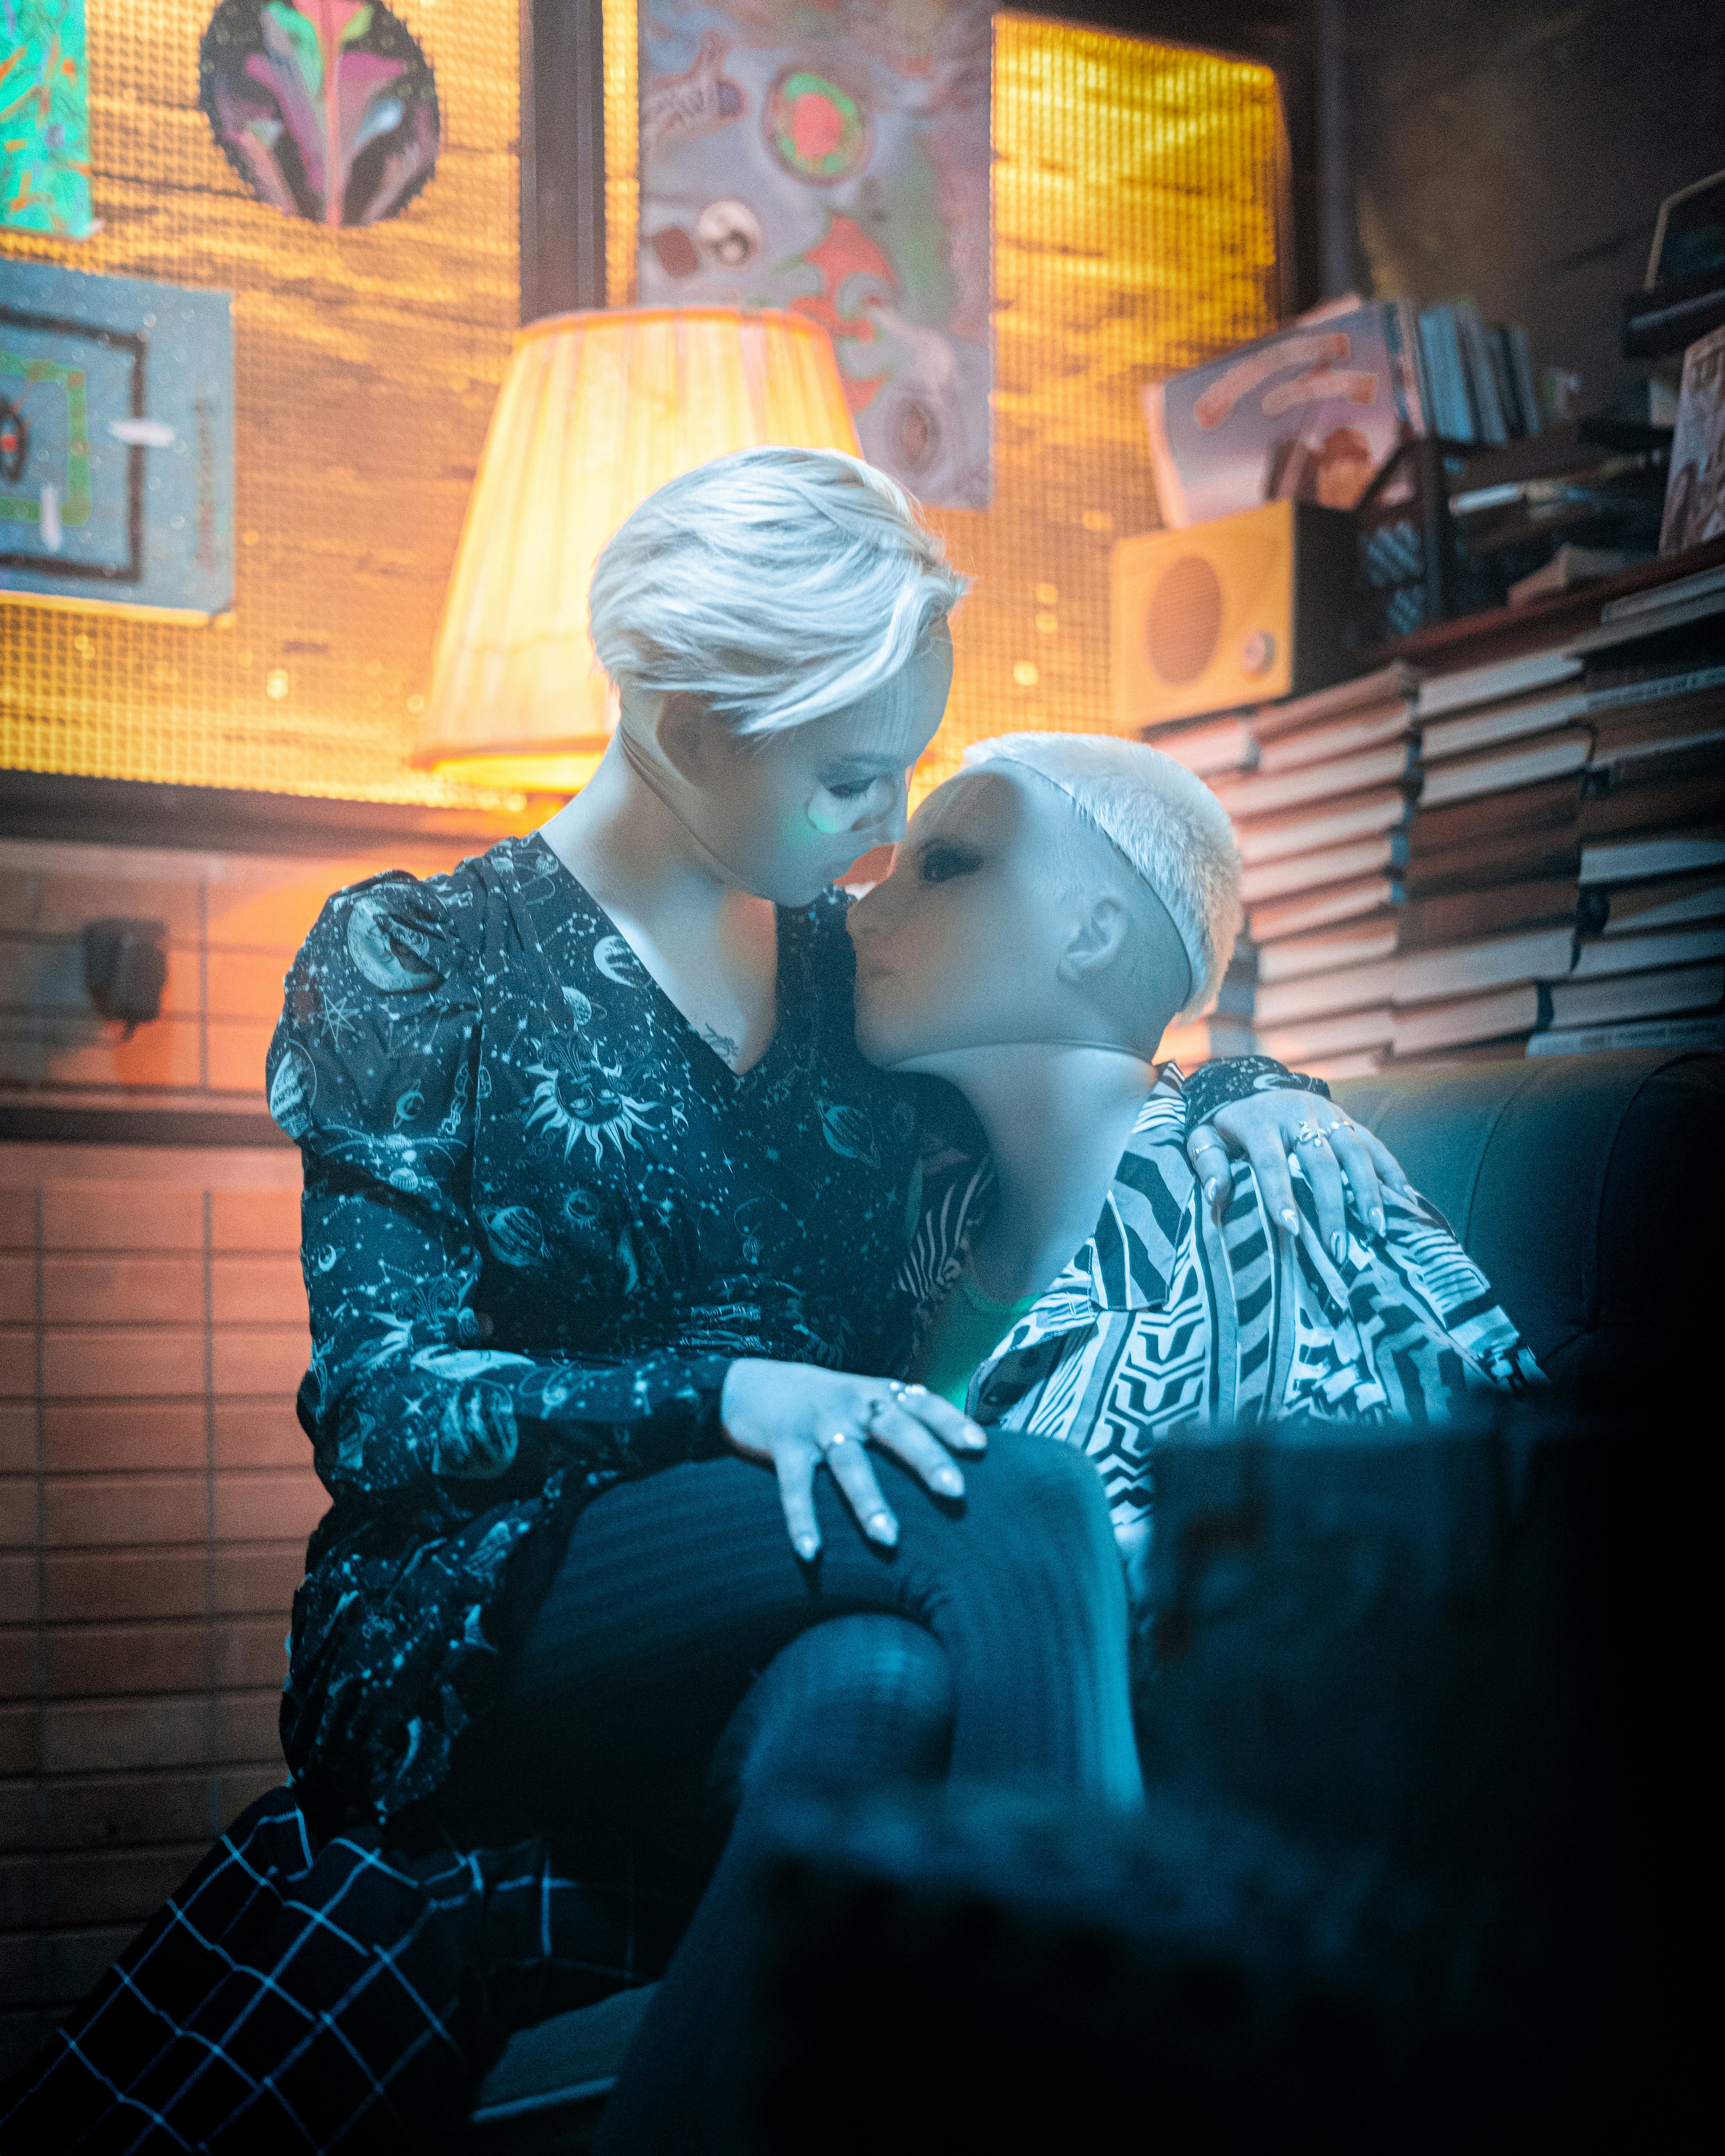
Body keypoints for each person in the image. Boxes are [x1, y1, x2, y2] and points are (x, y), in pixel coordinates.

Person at [2, 452, 1416, 2150]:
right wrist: (722, 1395)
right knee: (1009, 1511)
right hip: (491, 1604)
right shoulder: (417, 957)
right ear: (678, 719)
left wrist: (1264, 1098)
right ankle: (1137, 2079)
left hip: (795, 1607)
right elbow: (376, 1406)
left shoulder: (856, 979)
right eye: (848, 779)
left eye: (904, 779)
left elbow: (1095, 1077)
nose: (885, 831)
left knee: (875, 1693)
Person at [849, 730, 1545, 1590]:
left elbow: (1413, 1613)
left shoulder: (1278, 1209)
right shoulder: (904, 1216)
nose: (860, 913)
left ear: (1092, 934)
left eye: (943, 865)